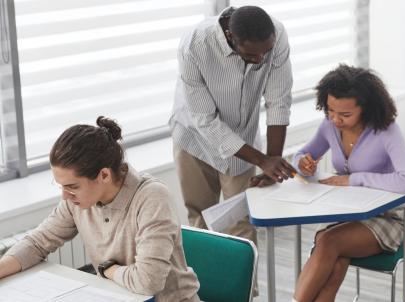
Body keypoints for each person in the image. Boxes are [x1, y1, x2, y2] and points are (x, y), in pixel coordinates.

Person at [0, 117, 199, 301]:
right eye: (61, 186)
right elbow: (36, 243)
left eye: (72, 186)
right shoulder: (77, 201)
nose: (65, 196)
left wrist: (108, 271)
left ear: (104, 175)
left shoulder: (152, 198)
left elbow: (148, 282)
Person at [290, 65, 405, 301]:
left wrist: (353, 180)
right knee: (335, 263)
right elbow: (300, 154)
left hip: (385, 218)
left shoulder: (386, 131)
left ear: (366, 108)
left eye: (345, 114)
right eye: (330, 110)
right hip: (346, 214)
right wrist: (303, 163)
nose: (336, 119)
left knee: (328, 241)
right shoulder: (329, 126)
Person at [169, 5, 296, 243]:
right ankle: (203, 281)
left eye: (264, 53)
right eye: (250, 55)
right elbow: (204, 120)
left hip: (243, 140)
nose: (260, 59)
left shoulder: (276, 36)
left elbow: (278, 101)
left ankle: (246, 282)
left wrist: (272, 162)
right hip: (195, 137)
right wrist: (262, 160)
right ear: (230, 37)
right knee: (200, 220)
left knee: (242, 222)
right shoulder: (195, 46)